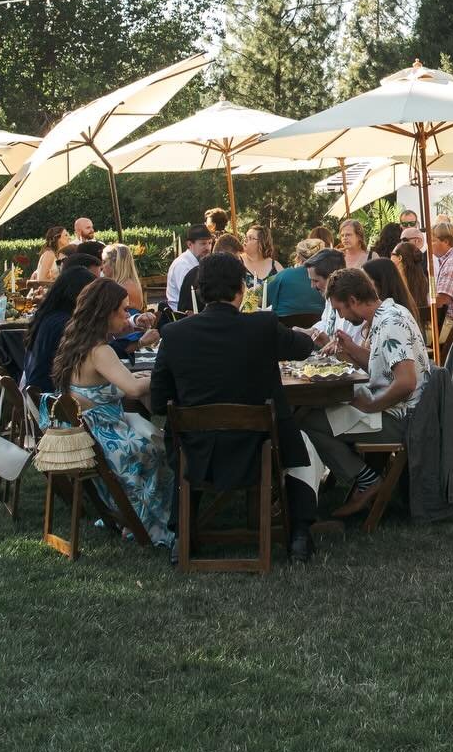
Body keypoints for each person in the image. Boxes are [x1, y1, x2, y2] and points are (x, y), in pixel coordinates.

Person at [150, 252, 324, 562]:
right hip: (262, 447)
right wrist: (307, 336)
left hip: (199, 451)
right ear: (241, 289)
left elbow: (158, 399)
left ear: (201, 291)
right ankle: (299, 533)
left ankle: (182, 535)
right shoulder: (263, 325)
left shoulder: (173, 334)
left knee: (184, 443)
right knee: (305, 448)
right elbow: (301, 349)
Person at [49, 277, 174, 547]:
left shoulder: (77, 341)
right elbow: (133, 390)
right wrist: (160, 375)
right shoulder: (101, 350)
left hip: (88, 430)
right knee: (162, 450)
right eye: (123, 310)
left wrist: (137, 374)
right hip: (104, 435)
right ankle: (145, 521)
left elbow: (100, 386)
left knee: (151, 438)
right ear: (106, 312)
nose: (126, 315)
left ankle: (127, 515)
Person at [317, 268, 432, 518]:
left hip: (402, 419)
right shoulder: (389, 314)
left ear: (354, 301)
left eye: (340, 310)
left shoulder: (390, 324)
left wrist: (371, 406)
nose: (342, 317)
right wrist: (350, 348)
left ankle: (367, 480)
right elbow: (382, 364)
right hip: (394, 411)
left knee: (308, 421)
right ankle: (365, 477)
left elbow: (406, 382)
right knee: (314, 413)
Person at [23, 263, 100, 404]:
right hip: (53, 403)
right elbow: (92, 353)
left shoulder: (49, 316)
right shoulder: (64, 324)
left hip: (39, 394)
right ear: (79, 295)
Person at [264, 239, 324, 316]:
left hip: (283, 326)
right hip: (318, 326)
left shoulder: (283, 276)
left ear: (298, 257)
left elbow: (263, 300)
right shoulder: (326, 279)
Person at [166, 226, 212, 312]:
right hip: (181, 316)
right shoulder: (182, 265)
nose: (208, 248)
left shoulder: (201, 261)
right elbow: (189, 297)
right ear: (190, 244)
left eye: (210, 243)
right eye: (203, 244)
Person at [392, 240, 431, 327]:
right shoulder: (422, 279)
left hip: (402, 327)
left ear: (399, 258)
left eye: (392, 254)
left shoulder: (396, 282)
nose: (390, 256)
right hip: (422, 326)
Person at [102, 243, 146, 312]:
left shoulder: (121, 288)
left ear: (114, 263)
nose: (102, 266)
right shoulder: (129, 283)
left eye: (104, 262)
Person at [241, 223, 281, 288]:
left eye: (250, 238)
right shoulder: (237, 261)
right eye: (246, 237)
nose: (245, 240)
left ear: (262, 243)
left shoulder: (275, 266)